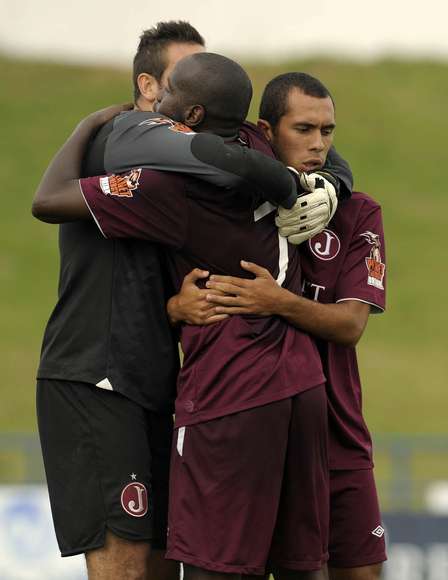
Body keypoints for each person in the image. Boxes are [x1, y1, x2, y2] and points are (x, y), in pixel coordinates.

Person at [33, 53, 335, 580]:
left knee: (210, 566)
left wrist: (88, 124)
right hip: (304, 381)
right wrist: (330, 185)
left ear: (191, 115)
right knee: (300, 566)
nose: (156, 102)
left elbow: (49, 200)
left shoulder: (164, 186)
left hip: (231, 385)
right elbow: (317, 152)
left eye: (169, 92)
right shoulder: (264, 147)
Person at [168, 72, 388, 580]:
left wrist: (278, 301)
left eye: (327, 132)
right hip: (252, 425)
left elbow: (350, 325)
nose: (318, 145)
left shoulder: (358, 213)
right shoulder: (234, 203)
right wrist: (174, 307)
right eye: (304, 129)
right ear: (267, 131)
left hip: (337, 430)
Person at [32, 21, 204, 580]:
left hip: (153, 383)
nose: (198, 90)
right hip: (95, 377)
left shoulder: (187, 163)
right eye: (184, 76)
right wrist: (86, 124)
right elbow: (46, 201)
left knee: (162, 564)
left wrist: (174, 307)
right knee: (123, 564)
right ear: (148, 86)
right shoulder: (114, 148)